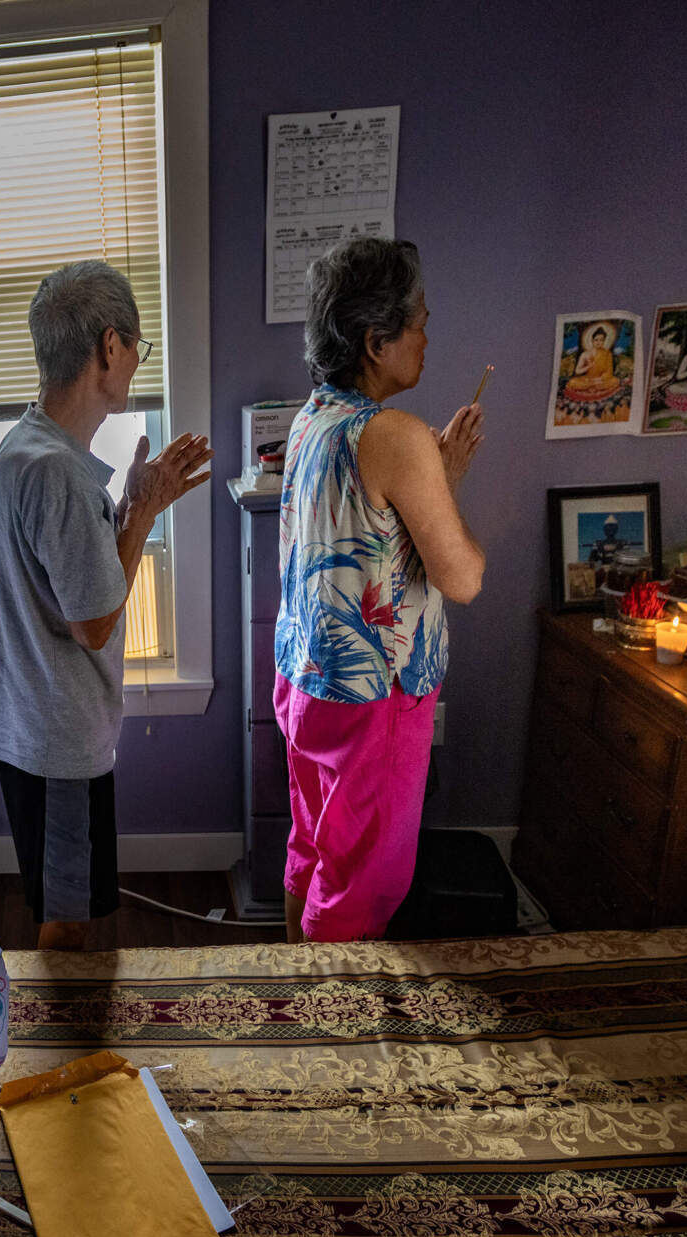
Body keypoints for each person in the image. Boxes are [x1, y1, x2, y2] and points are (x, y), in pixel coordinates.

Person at [0, 260, 211, 950]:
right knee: (67, 920)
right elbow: (95, 621)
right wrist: (142, 513)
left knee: (65, 901)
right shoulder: (57, 472)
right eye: (137, 347)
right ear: (110, 346)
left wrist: (130, 507)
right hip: (55, 741)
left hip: (34, 726)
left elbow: (70, 582)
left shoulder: (29, 446)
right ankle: (61, 1020)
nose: (136, 362)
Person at [276, 237, 485, 944]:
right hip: (376, 698)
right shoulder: (395, 434)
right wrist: (444, 481)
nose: (427, 337)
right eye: (419, 322)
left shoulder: (313, 418)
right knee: (362, 881)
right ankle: (335, 1008)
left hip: (307, 678)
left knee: (313, 845)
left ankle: (293, 982)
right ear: (375, 342)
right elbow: (462, 575)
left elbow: (372, 538)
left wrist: (437, 480)